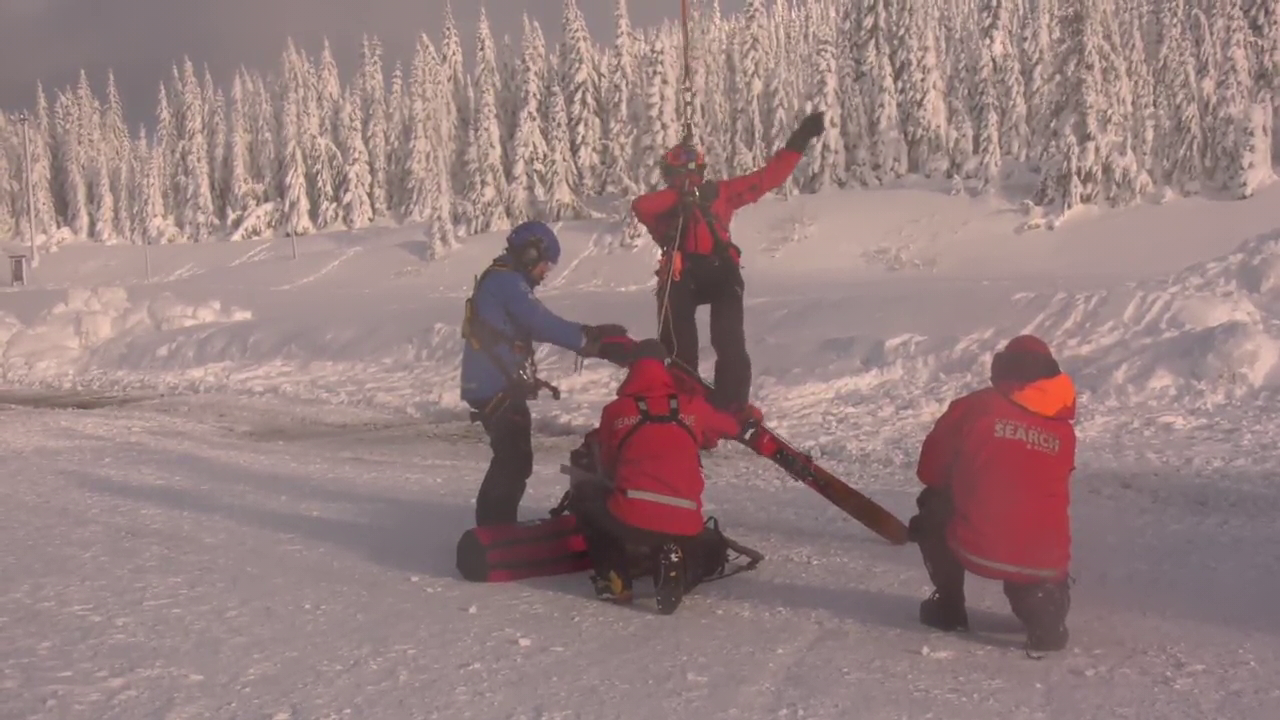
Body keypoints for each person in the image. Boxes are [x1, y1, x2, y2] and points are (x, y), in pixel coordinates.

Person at [629, 111, 826, 417]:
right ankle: (690, 397)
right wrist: (681, 198)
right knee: (683, 344)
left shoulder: (719, 193)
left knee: (727, 339)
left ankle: (724, 403)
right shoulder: (672, 205)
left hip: (718, 271)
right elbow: (641, 206)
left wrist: (798, 140)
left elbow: (768, 178)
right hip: (686, 273)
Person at [908, 334, 1077, 652]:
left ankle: (948, 606)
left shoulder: (973, 408)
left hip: (979, 543)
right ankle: (1045, 608)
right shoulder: (1063, 429)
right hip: (1043, 558)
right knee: (1041, 512)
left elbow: (930, 471)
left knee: (933, 503)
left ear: (1001, 369)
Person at [460, 220, 627, 526]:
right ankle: (494, 532)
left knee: (513, 459)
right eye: (545, 264)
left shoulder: (505, 280)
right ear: (530, 254)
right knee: (513, 460)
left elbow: (515, 330)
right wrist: (588, 340)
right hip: (494, 387)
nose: (546, 272)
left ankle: (496, 528)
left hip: (498, 384)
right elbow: (540, 322)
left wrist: (589, 335)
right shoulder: (505, 282)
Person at [567, 338, 750, 614]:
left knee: (587, 496)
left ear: (632, 370)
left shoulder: (615, 411)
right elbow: (733, 427)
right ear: (665, 368)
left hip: (632, 516)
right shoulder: (693, 406)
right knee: (707, 545)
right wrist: (748, 415)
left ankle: (615, 579)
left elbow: (607, 464)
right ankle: (678, 569)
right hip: (685, 520)